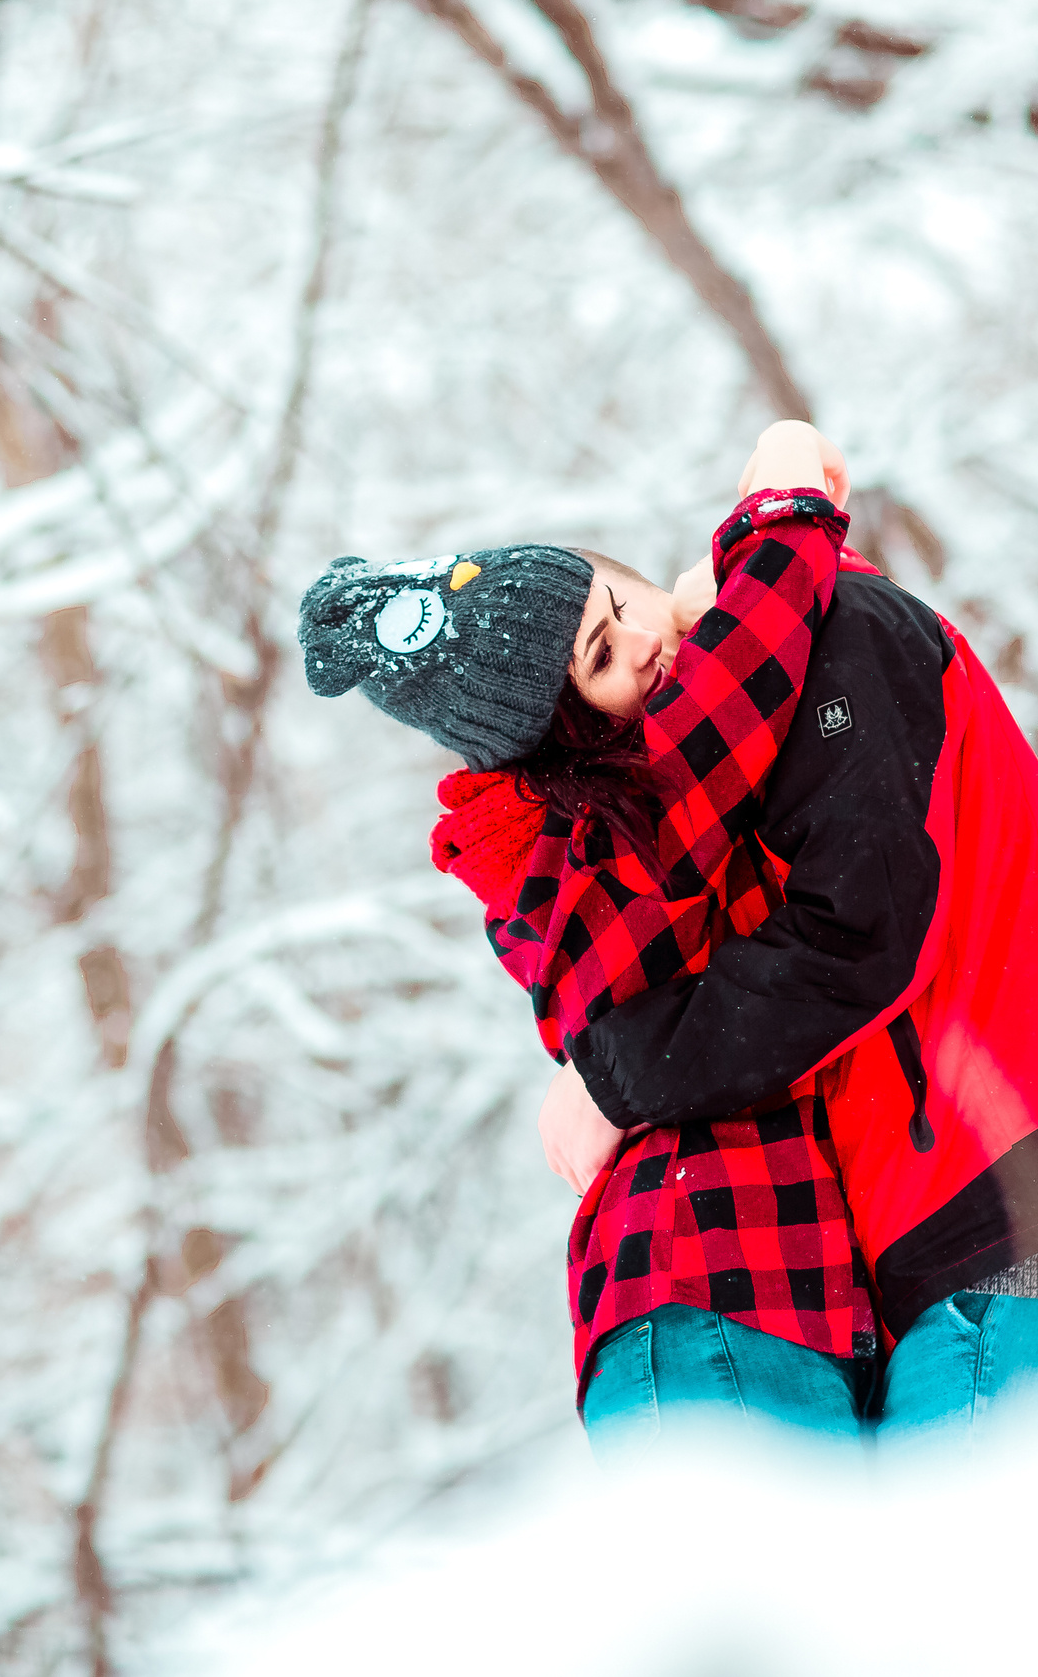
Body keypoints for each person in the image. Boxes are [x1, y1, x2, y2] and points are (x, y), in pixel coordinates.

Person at [300, 423, 884, 1450]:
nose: (641, 645)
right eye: (600, 660)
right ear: (559, 737)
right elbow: (725, 697)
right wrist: (783, 516)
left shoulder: (645, 802)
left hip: (780, 1287)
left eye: (619, 608)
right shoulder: (592, 844)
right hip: (701, 1288)